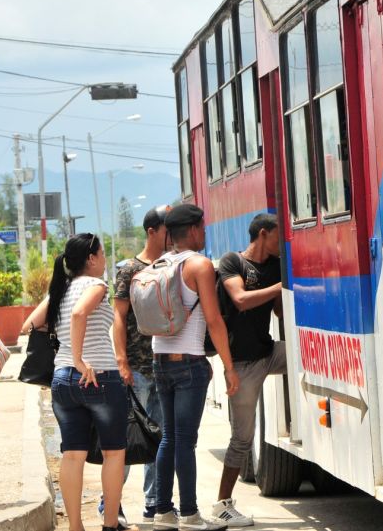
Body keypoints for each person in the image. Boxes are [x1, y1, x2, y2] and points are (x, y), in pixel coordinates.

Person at [22, 233, 134, 531]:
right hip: (98, 377)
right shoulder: (96, 285)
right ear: (91, 258)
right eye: (101, 253)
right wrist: (81, 358)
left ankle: (75, 526)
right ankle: (110, 524)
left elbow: (29, 324)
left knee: (73, 454)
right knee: (113, 452)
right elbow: (79, 313)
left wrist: (69, 353)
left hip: (62, 380)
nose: (104, 260)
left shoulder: (60, 289)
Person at [151, 204, 240, 531]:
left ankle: (163, 512)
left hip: (160, 360)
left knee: (169, 439)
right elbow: (214, 321)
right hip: (188, 364)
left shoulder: (160, 263)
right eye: (202, 228)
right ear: (190, 230)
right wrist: (229, 367)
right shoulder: (199, 265)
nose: (204, 233)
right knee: (185, 441)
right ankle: (189, 514)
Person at [212, 213, 284, 527]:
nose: (282, 243)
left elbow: (281, 312)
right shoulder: (232, 262)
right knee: (242, 439)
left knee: (308, 356)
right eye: (278, 236)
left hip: (269, 353)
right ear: (263, 234)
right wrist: (281, 286)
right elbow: (240, 299)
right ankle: (222, 505)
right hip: (242, 365)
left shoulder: (276, 265)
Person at [110, 204, 172, 524]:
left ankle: (155, 502)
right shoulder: (129, 270)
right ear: (152, 232)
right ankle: (112, 505)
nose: (171, 235)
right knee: (127, 440)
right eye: (167, 230)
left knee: (159, 440)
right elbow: (118, 317)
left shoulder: (172, 266)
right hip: (134, 369)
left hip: (165, 367)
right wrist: (121, 362)